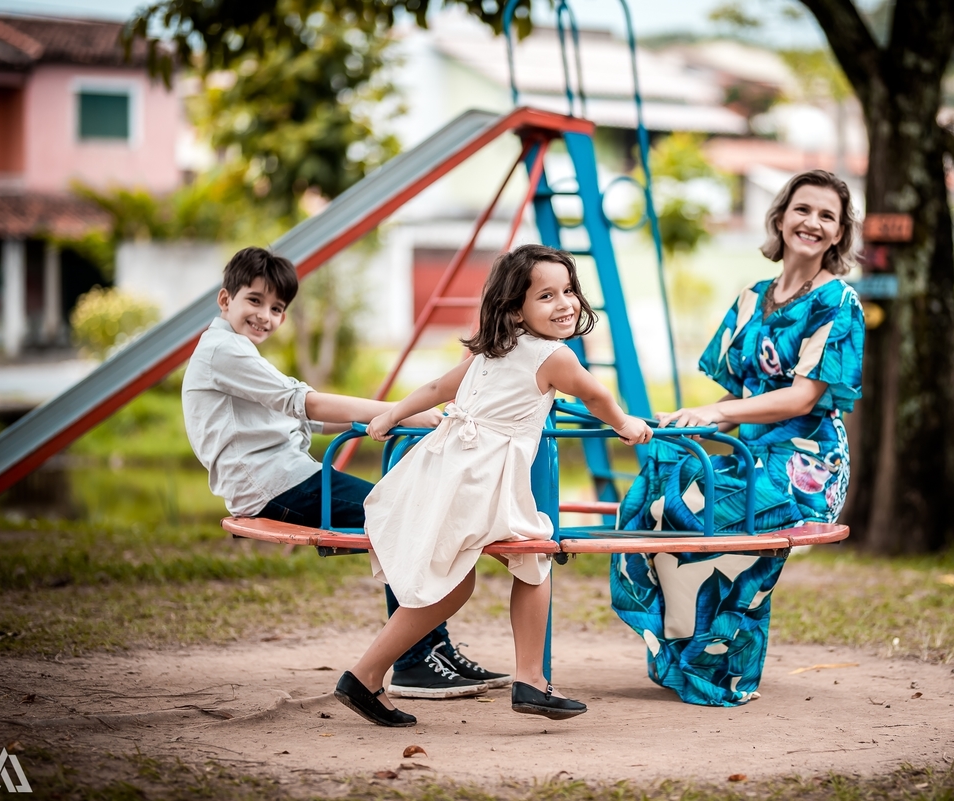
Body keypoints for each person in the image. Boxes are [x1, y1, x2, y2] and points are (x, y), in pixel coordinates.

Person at [331, 243, 653, 727]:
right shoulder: (554, 356)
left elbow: (439, 388)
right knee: (521, 560)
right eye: (546, 296)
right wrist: (624, 423)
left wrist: (392, 414)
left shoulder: (492, 349)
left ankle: (374, 676)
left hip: (446, 465)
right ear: (515, 308)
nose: (564, 303)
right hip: (480, 475)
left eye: (568, 291)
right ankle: (515, 680)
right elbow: (594, 393)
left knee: (484, 575)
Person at [183, 246, 509, 700]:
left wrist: (394, 416)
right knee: (406, 520)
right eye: (254, 301)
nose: (265, 316)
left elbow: (313, 419)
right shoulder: (224, 351)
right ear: (225, 301)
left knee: (407, 514)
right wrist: (406, 413)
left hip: (286, 477)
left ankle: (432, 650)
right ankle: (418, 661)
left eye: (276, 308)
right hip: (274, 484)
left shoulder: (234, 350)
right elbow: (310, 403)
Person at [610, 170, 866, 707]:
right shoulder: (752, 298)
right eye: (803, 210)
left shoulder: (839, 303)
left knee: (712, 517)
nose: (812, 223)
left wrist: (716, 411)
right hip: (747, 451)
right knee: (657, 503)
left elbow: (799, 400)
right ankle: (683, 653)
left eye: (827, 216)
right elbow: (737, 403)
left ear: (840, 234)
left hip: (805, 462)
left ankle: (721, 668)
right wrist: (687, 424)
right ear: (780, 217)